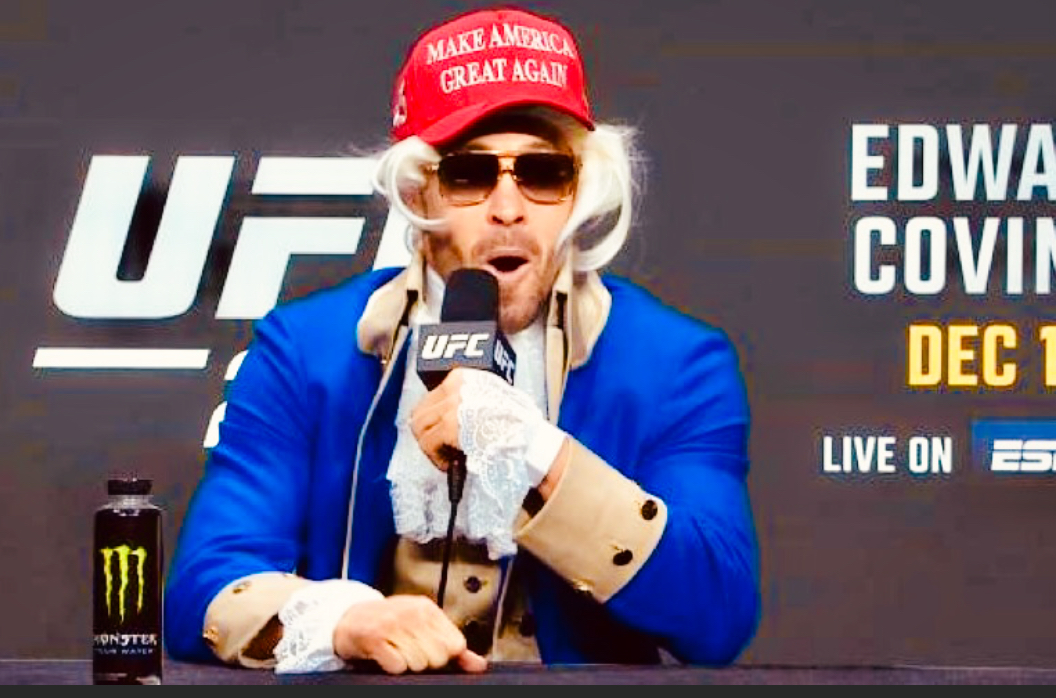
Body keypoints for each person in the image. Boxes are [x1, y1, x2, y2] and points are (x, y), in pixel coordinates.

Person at [163, 5, 760, 675]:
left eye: (543, 173)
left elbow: (721, 615)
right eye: (470, 174)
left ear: (577, 193)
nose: (508, 209)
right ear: (420, 193)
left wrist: (541, 454)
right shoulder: (304, 350)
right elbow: (203, 590)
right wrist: (341, 622)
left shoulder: (677, 363)